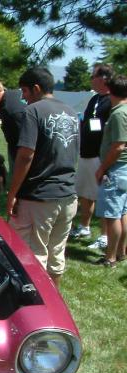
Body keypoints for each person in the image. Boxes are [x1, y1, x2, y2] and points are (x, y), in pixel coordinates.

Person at [7, 67, 79, 287]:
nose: (23, 98)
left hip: (39, 198)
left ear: (36, 88)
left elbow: (26, 155)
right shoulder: (71, 112)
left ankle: (36, 302)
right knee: (56, 254)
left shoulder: (33, 111)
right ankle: (54, 298)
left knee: (33, 255)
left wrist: (13, 193)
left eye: (25, 91)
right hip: (68, 195)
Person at [70, 64, 113, 249]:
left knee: (102, 197)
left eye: (93, 76)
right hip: (86, 153)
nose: (90, 79)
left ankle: (105, 236)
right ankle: (84, 227)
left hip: (100, 156)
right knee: (85, 193)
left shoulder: (113, 100)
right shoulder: (95, 98)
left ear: (103, 79)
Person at [93, 74, 127, 267]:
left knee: (112, 214)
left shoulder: (118, 114)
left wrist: (102, 168)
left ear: (110, 91)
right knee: (123, 212)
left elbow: (118, 146)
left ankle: (110, 257)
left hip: (116, 169)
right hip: (123, 168)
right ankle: (121, 252)